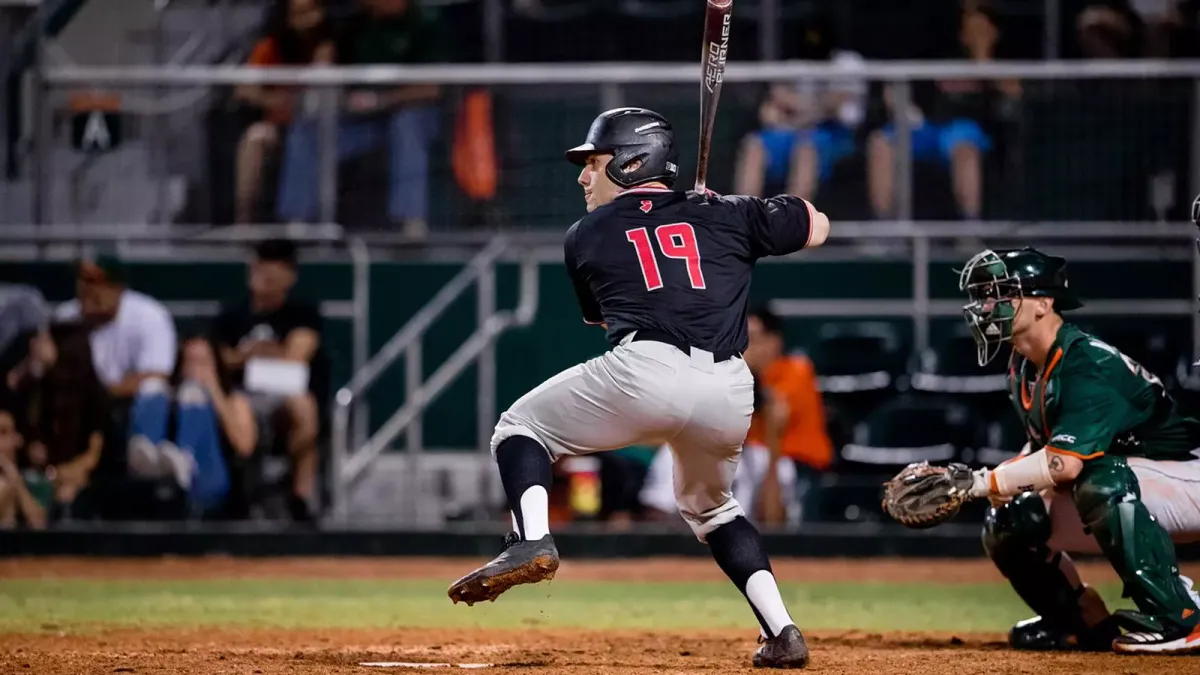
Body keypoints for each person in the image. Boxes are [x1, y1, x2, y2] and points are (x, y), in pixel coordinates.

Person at [446, 107, 832, 669]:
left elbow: (602, 319)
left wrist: (706, 216)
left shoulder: (585, 235)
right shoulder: (726, 212)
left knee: (520, 428)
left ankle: (530, 539)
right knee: (715, 511)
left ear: (629, 164)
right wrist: (730, 211)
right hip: (730, 387)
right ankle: (782, 631)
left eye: (594, 163)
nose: (584, 176)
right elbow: (816, 225)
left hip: (648, 367)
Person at [949, 246, 1200, 654]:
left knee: (1096, 479)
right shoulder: (1024, 365)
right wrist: (971, 486)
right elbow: (1043, 451)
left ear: (1043, 303)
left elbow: (1063, 464)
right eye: (986, 296)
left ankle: (1182, 616)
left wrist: (982, 481)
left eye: (1003, 293)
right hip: (1140, 480)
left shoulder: (1086, 362)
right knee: (1010, 517)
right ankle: (1080, 621)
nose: (988, 305)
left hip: (1186, 474)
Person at [212, 238, 326, 522]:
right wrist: (250, 354)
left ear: (289, 278)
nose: (263, 279)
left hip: (285, 391)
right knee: (238, 409)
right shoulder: (232, 316)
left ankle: (300, 497)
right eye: (259, 271)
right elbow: (220, 358)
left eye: (272, 275)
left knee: (305, 408)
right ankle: (244, 494)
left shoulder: (302, 314)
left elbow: (297, 355)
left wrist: (253, 354)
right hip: (242, 393)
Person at [233, 0, 334, 223]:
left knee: (304, 136)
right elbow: (244, 89)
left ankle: (301, 222)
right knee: (254, 138)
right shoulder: (271, 46)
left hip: (324, 128)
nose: (309, 19)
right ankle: (244, 223)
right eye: (300, 14)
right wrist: (275, 100)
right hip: (282, 126)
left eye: (313, 11)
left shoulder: (333, 42)